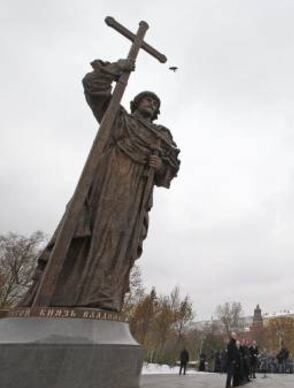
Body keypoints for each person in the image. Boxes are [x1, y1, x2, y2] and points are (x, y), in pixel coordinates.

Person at [20, 59, 180, 311]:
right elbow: (93, 86)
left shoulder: (160, 136)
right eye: (146, 99)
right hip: (102, 187)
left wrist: (158, 164)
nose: (151, 103)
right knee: (83, 233)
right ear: (135, 103)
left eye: (155, 102)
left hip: (133, 197)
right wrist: (118, 68)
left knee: (119, 243)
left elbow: (169, 170)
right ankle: (59, 295)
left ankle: (102, 297)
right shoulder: (119, 119)